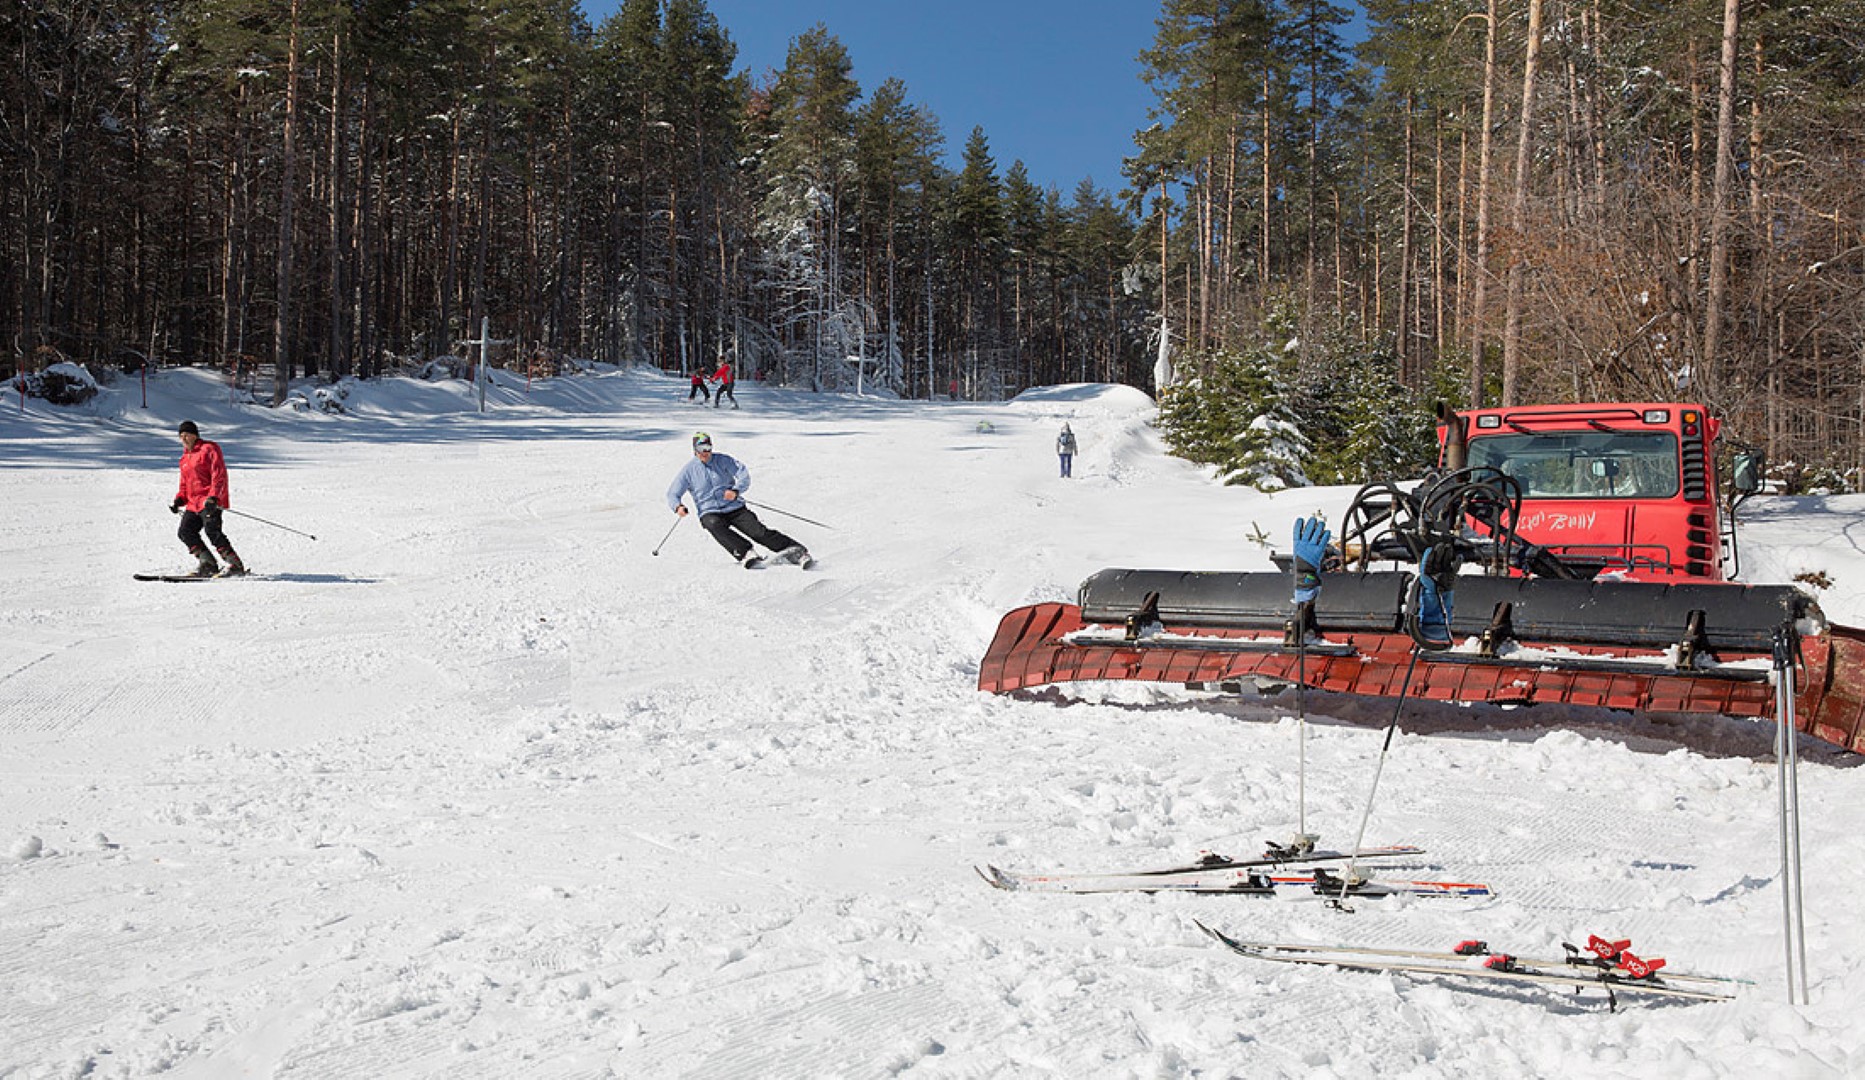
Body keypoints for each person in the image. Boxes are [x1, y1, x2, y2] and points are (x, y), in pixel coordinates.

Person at [666, 432, 810, 569]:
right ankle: (745, 553)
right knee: (712, 524)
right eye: (701, 448)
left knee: (758, 532)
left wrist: (736, 490)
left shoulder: (723, 460)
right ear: (694, 450)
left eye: (708, 448)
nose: (705, 452)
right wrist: (678, 506)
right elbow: (673, 493)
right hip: (709, 511)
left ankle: (797, 552)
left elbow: (743, 474)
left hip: (734, 507)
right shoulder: (689, 471)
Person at [169, 420, 247, 577]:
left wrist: (214, 497)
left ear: (195, 435)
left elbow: (219, 475)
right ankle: (208, 563)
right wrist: (179, 500)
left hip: (209, 501)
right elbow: (185, 484)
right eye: (181, 436)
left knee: (212, 530)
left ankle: (235, 564)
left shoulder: (209, 449)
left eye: (187, 435)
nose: (184, 439)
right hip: (193, 504)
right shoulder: (184, 459)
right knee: (185, 531)